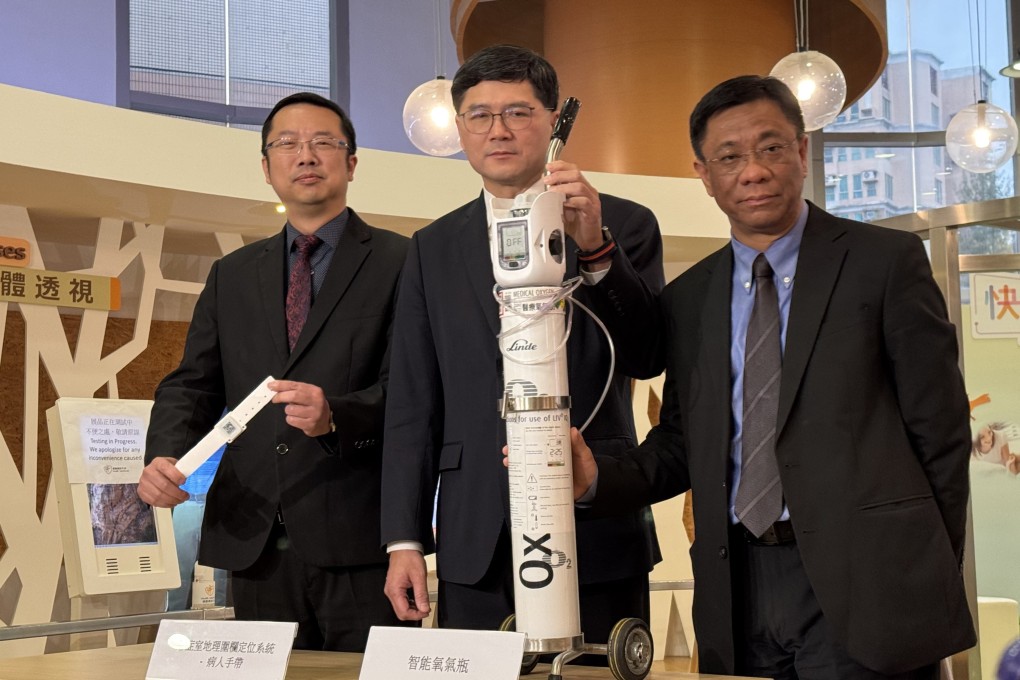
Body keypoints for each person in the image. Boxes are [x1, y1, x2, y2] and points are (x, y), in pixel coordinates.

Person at [569, 75, 976, 679]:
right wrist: (596, 477)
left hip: (868, 583)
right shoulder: (689, 299)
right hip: (738, 588)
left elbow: (939, 434)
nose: (753, 170)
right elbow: (684, 445)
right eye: (729, 157)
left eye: (771, 147)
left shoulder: (883, 264)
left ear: (803, 151)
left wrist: (918, 569)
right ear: (703, 175)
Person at [380, 44, 663, 654]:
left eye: (518, 112)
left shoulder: (622, 222)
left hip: (596, 526)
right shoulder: (432, 247)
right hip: (475, 534)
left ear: (554, 119)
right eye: (479, 115)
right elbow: (412, 400)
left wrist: (595, 249)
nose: (498, 130)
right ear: (459, 129)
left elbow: (645, 356)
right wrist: (404, 538)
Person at [137, 92, 410, 651]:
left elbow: (415, 390)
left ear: (352, 162)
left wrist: (338, 414)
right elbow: (193, 382)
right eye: (287, 144)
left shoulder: (401, 261)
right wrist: (164, 456)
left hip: (359, 538)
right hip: (253, 538)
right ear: (267, 168)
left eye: (322, 143)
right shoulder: (231, 274)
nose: (304, 155)